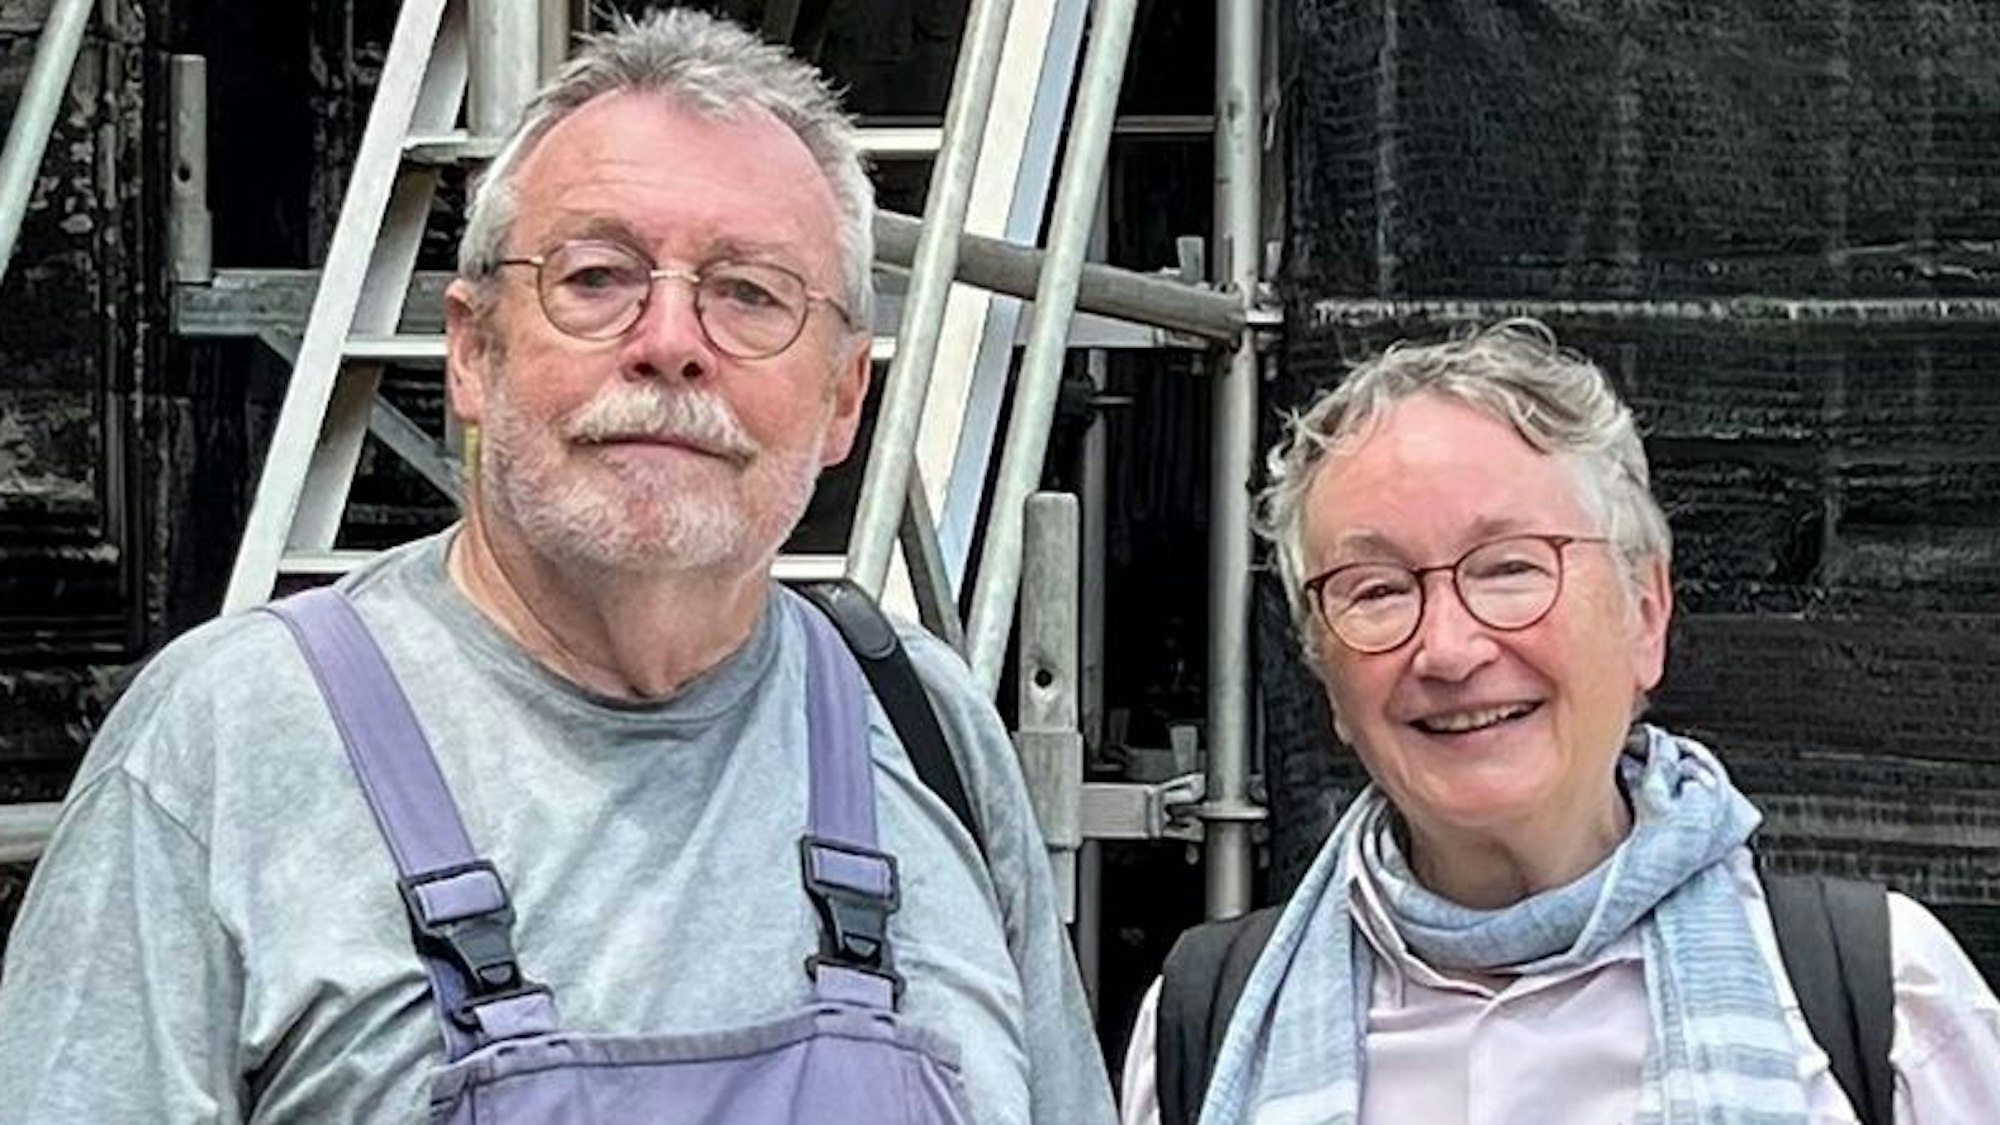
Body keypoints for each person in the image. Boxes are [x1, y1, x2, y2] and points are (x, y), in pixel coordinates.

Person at [0, 11, 1117, 1125]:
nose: (671, 341)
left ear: (839, 400)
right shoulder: (226, 747)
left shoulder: (923, 726)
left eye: (748, 293)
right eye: (597, 276)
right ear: (472, 353)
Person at [1117, 320, 2000, 1124]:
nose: (1450, 649)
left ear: (1645, 610)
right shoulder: (1210, 1025)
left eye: (1508, 569)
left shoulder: (1879, 1007)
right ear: (1325, 675)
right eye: (1377, 589)